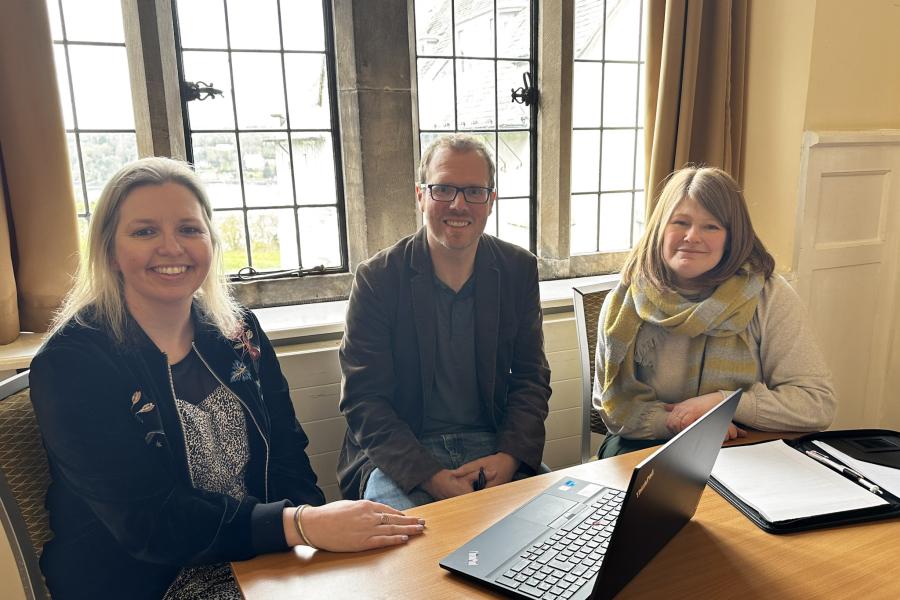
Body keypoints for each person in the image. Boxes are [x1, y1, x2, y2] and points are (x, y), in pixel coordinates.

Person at [29, 157, 424, 600]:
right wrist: (300, 526)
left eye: (189, 229)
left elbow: (288, 452)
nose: (172, 247)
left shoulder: (239, 331)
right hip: (146, 577)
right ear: (108, 250)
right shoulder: (73, 363)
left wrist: (317, 552)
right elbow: (149, 524)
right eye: (144, 231)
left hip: (262, 555)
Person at [337, 134, 552, 509]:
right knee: (402, 559)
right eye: (444, 189)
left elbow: (531, 379)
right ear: (421, 195)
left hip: (493, 446)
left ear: (491, 200)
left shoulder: (517, 269)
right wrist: (431, 478)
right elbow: (364, 401)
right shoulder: (378, 278)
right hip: (405, 455)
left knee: (550, 537)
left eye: (474, 192)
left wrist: (509, 457)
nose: (458, 204)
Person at [593, 166, 836, 458]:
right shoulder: (623, 302)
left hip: (744, 444)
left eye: (711, 226)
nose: (692, 237)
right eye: (680, 222)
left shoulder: (769, 295)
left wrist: (723, 404)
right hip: (647, 443)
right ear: (659, 228)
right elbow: (609, 407)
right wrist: (677, 422)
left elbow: (816, 404)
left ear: (732, 237)